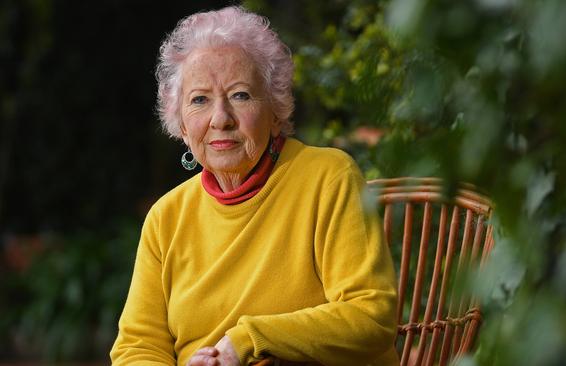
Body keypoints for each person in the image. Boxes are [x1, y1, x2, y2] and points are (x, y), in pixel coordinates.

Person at [110, 6, 398, 366]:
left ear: (276, 110)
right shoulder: (166, 218)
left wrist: (248, 342)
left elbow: (370, 314)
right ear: (181, 125)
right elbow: (136, 348)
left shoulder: (328, 177)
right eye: (199, 100)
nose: (221, 119)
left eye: (240, 95)